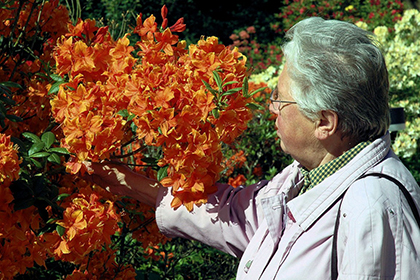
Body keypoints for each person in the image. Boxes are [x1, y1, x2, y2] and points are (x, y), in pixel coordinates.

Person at [84, 17, 420, 279]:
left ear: (324, 123)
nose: (271, 108)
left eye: (280, 98)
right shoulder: (304, 179)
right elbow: (234, 216)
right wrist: (129, 183)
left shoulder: (371, 205)